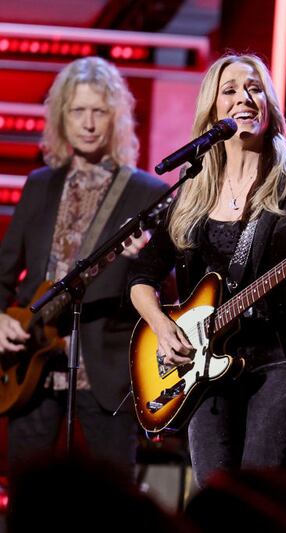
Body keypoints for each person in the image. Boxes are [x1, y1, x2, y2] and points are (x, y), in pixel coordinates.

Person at [128, 53, 286, 487]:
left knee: (259, 501)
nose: (244, 98)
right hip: (205, 364)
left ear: (270, 103)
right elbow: (142, 279)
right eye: (229, 91)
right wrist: (163, 327)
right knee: (214, 500)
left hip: (282, 358)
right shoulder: (192, 189)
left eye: (254, 88)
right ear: (212, 110)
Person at [0, 57, 168, 475]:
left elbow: (168, 285)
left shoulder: (150, 193)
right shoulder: (40, 184)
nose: (89, 123)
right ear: (62, 117)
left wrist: (144, 258)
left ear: (115, 118)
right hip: (31, 371)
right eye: (78, 111)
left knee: (115, 504)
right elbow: (3, 273)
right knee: (28, 496)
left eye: (99, 111)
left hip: (106, 372)